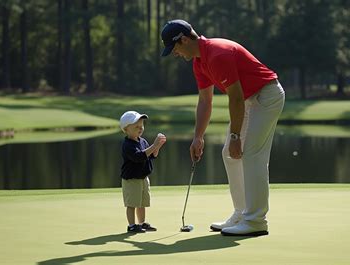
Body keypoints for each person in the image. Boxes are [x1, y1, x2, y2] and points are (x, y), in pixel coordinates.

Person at [161, 19, 285, 236]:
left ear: (183, 39)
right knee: (229, 154)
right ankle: (241, 212)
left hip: (267, 95)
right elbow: (205, 102)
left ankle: (256, 221)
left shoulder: (217, 54)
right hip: (249, 100)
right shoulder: (199, 62)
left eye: (175, 49)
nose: (175, 54)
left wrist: (236, 136)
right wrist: (198, 137)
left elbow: (235, 97)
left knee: (252, 155)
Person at [119, 111, 166, 233]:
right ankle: (132, 225)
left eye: (141, 126)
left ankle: (142, 223)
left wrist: (158, 146)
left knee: (142, 203)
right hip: (132, 179)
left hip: (143, 177)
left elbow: (151, 156)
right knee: (132, 203)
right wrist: (154, 145)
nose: (140, 129)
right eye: (136, 127)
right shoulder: (127, 145)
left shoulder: (142, 141)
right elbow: (139, 157)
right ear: (126, 129)